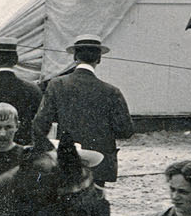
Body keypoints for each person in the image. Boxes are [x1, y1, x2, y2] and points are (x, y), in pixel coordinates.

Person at [32, 35, 134, 186]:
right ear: (99, 59)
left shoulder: (57, 85)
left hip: (66, 159)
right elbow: (126, 131)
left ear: (75, 56)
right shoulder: (111, 92)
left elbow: (40, 125)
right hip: (99, 164)